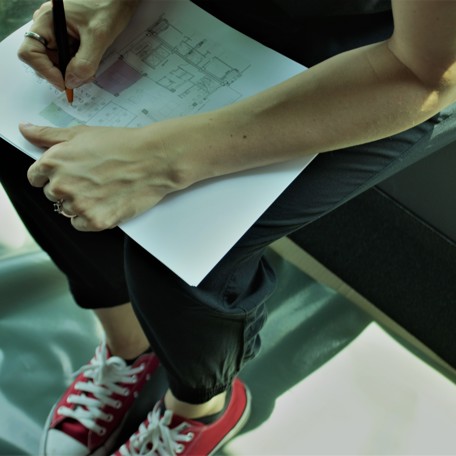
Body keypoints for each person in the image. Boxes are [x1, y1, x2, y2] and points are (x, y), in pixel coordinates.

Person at [1, 0, 455, 454]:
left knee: (180, 253)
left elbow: (424, 71)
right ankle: (131, 346)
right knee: (24, 149)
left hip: (373, 63)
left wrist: (164, 160)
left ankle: (201, 407)